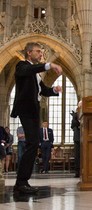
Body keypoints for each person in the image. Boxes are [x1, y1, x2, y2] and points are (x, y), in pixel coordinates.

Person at [10, 42, 62, 194]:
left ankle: (22, 182)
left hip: (33, 111)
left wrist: (54, 90)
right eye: (38, 51)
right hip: (26, 109)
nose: (41, 54)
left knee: (33, 144)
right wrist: (49, 65)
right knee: (32, 143)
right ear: (28, 53)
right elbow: (27, 70)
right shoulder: (21, 66)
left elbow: (43, 90)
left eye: (41, 52)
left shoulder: (36, 74)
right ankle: (21, 183)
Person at [71, 100, 82, 178]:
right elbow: (72, 126)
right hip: (77, 137)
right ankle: (77, 171)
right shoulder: (75, 115)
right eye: (79, 105)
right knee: (77, 155)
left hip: (85, 137)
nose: (80, 107)